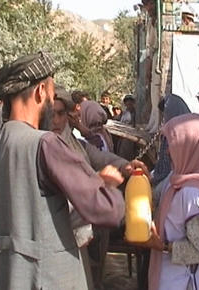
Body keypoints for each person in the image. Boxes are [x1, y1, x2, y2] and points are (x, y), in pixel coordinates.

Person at [0, 51, 126, 290]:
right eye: (51, 93)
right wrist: (107, 186)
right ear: (40, 92)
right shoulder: (44, 143)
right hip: (45, 278)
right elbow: (105, 209)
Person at [52, 95, 150, 290]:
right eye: (51, 114)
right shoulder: (42, 146)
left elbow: (101, 158)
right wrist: (100, 183)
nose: (55, 120)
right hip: (63, 231)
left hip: (90, 227)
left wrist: (126, 166)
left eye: (60, 114)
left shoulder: (75, 143)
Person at [132, 114, 199, 290]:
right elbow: (157, 201)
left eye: (172, 144)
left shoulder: (194, 195)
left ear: (190, 147)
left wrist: (160, 245)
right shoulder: (176, 179)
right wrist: (143, 178)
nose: (168, 151)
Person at [152, 94, 191, 190]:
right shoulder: (193, 128)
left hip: (176, 181)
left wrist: (154, 179)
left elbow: (165, 168)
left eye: (165, 113)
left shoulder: (171, 133)